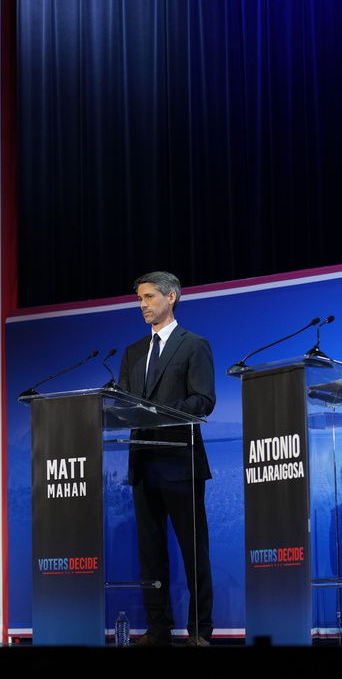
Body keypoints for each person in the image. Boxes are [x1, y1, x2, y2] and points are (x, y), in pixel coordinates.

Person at [117, 272, 216, 647]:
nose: (142, 304)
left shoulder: (194, 345)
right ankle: (158, 629)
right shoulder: (132, 351)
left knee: (194, 551)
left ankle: (199, 631)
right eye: (139, 299)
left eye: (148, 297)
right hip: (142, 462)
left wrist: (156, 413)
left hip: (180, 461)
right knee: (151, 553)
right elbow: (125, 405)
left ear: (170, 297)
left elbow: (203, 400)